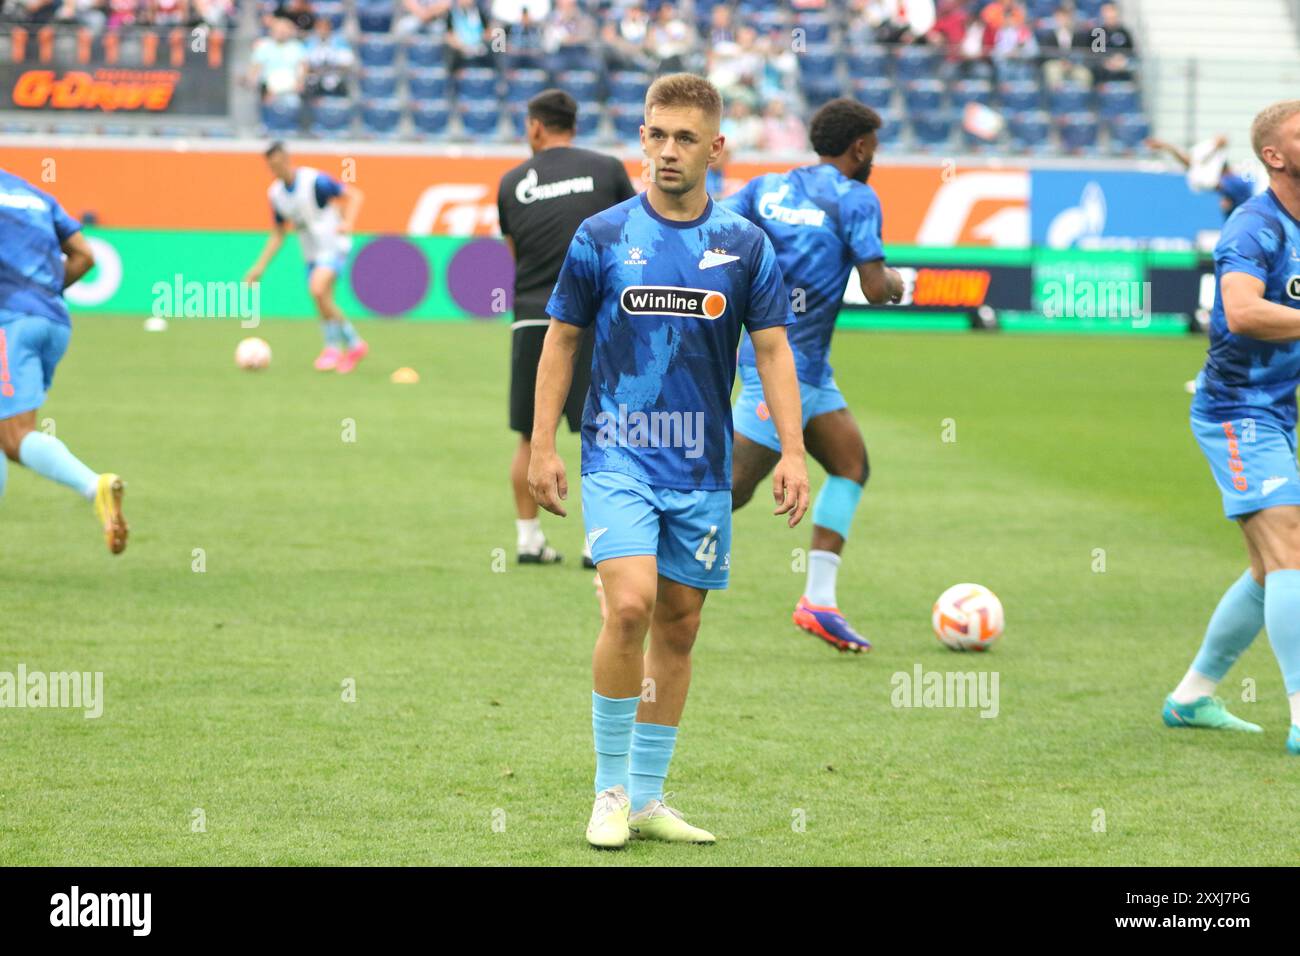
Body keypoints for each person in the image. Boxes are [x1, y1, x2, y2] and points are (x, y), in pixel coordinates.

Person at [528, 73, 810, 848]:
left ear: (716, 147)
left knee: (679, 628)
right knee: (629, 605)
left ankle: (648, 799)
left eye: (687, 138)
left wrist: (790, 450)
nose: (669, 151)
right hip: (617, 454)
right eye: (657, 135)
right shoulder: (603, 235)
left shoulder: (746, 246)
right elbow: (561, 337)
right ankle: (608, 792)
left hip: (702, 469)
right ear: (642, 140)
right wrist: (545, 442)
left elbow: (774, 349)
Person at [725, 98, 904, 653]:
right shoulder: (856, 196)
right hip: (781, 370)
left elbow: (715, 229)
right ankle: (632, 560)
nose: (873, 156)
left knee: (851, 464)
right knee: (728, 487)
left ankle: (818, 602)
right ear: (859, 147)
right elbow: (876, 288)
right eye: (872, 146)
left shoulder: (764, 187)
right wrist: (899, 283)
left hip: (801, 366)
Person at [1172, 100, 1300, 753]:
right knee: (1293, 551)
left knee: (1266, 568)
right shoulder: (1254, 225)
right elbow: (1244, 312)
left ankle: (1192, 695)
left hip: (1277, 409)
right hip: (1235, 411)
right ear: (1274, 157)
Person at [497, 89, 636, 566]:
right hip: (599, 316)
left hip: (535, 315)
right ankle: (596, 542)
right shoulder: (608, 168)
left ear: (536, 127)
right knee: (605, 432)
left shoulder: (512, 181)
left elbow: (515, 255)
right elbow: (632, 236)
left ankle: (527, 539)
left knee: (531, 435)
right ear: (573, 124)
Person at [0, 168, 127, 554]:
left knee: (15, 435)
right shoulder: (34, 194)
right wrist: (43, 293)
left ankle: (94, 486)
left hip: (11, 324)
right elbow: (85, 256)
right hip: (53, 321)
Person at [243, 143, 368, 373]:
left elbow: (355, 195)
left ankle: (351, 344)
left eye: (278, 163)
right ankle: (339, 347)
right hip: (311, 252)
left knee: (318, 290)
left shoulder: (315, 181)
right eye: (271, 166)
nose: (276, 169)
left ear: (287, 159)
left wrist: (348, 222)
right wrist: (259, 266)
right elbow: (279, 233)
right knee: (322, 300)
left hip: (334, 245)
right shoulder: (276, 195)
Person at [1146, 134, 1256, 220]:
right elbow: (1192, 164)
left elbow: (1197, 169)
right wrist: (1168, 147)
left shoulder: (1237, 182)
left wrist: (1213, 149)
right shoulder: (1231, 182)